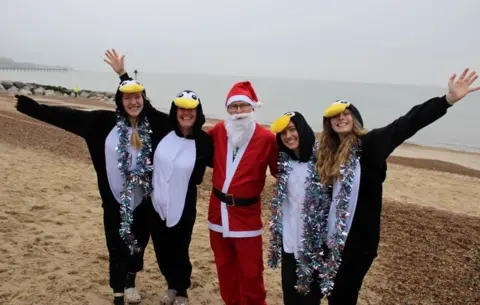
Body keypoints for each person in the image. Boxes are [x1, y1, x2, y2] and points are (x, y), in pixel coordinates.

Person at [271, 68, 480, 305]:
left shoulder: (370, 145)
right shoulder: (327, 155)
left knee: (342, 298)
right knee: (313, 293)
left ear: (355, 118)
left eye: (346, 114)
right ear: (328, 123)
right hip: (330, 241)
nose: (341, 118)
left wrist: (447, 100)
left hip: (358, 244)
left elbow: (407, 123)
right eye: (335, 116)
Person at [14, 72, 170, 305]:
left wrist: (124, 74)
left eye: (138, 97)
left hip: (144, 200)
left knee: (138, 244)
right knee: (116, 246)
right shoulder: (102, 122)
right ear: (119, 101)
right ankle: (118, 294)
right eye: (127, 98)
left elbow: (185, 127)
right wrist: (31, 107)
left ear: (144, 100)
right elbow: (66, 116)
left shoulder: (153, 125)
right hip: (113, 200)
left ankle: (130, 282)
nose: (133, 102)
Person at [106, 50, 213, 305]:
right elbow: (141, 102)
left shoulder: (204, 141)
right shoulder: (163, 128)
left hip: (184, 205)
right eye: (182, 110)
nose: (186, 114)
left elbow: (223, 163)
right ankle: (170, 286)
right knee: (162, 250)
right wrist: (123, 74)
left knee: (180, 249)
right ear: (175, 112)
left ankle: (181, 290)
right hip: (155, 203)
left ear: (198, 113)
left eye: (192, 110)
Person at [207, 81, 278, 305]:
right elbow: (197, 150)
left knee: (251, 271)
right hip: (217, 212)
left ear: (252, 108)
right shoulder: (219, 131)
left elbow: (281, 171)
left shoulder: (268, 138)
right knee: (225, 267)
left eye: (243, 106)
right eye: (233, 107)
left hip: (247, 215)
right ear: (227, 110)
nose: (238, 112)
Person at [267, 111, 320, 305]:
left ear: (302, 129)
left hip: (313, 242)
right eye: (283, 133)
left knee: (310, 295)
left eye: (292, 130)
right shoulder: (285, 162)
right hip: (288, 238)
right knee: (289, 290)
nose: (288, 136)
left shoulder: (321, 160)